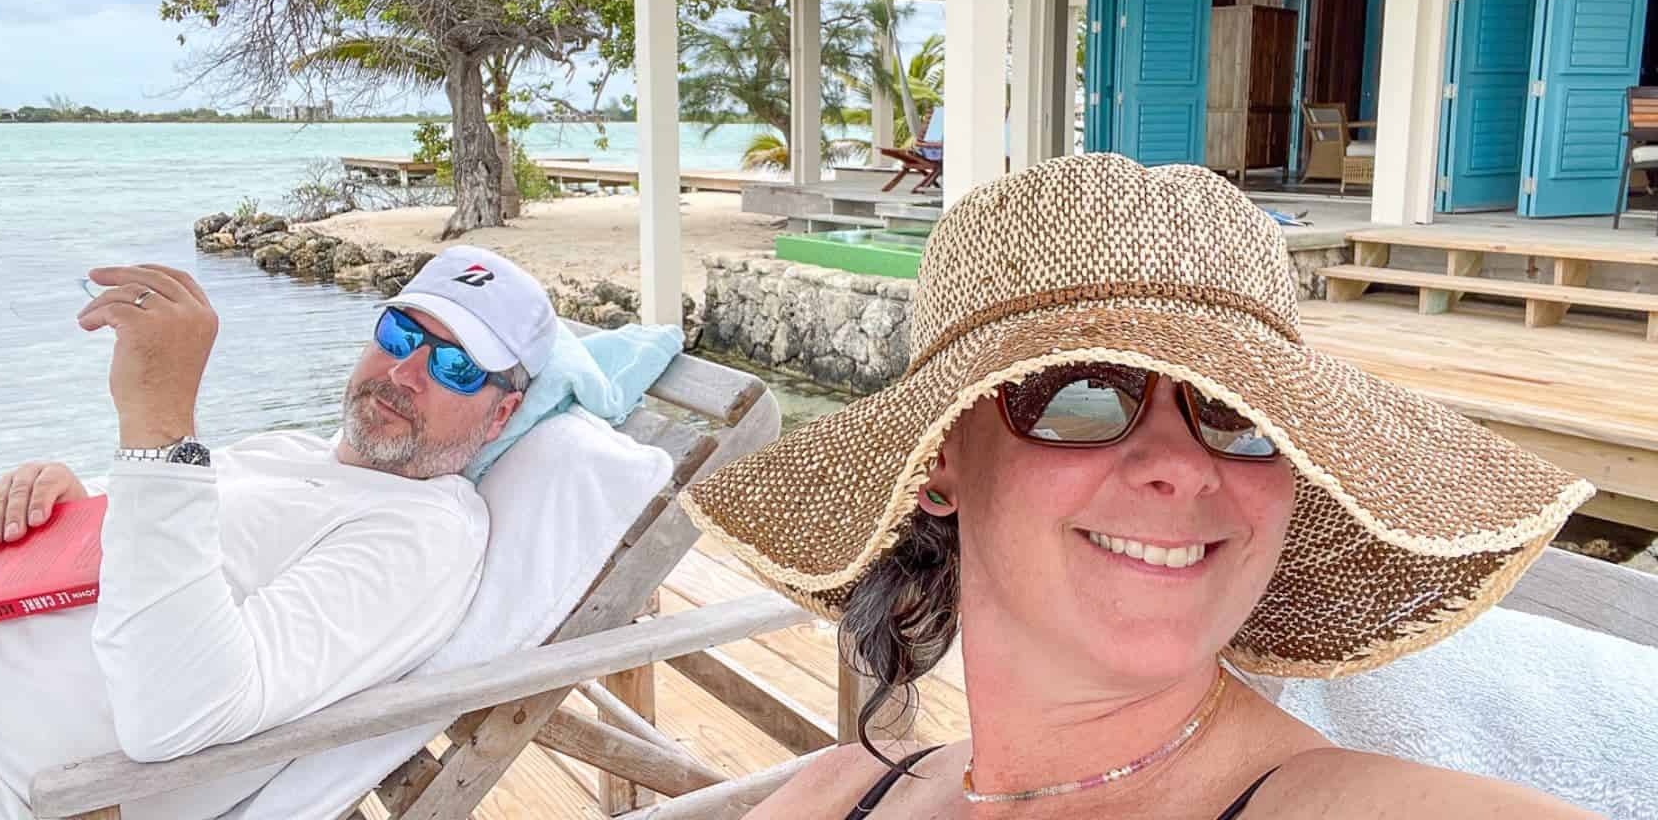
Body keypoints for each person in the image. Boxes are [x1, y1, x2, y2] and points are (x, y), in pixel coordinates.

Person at [681, 154, 1600, 819]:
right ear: (939, 459)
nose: (1183, 463)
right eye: (1078, 395)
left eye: (1239, 414)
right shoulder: (834, 797)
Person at [0, 245, 555, 820]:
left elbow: (180, 714)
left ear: (501, 416)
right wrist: (70, 508)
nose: (406, 373)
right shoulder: (291, 453)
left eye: (458, 366)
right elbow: (157, 547)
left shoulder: (422, 537)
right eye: (402, 334)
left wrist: (160, 424)